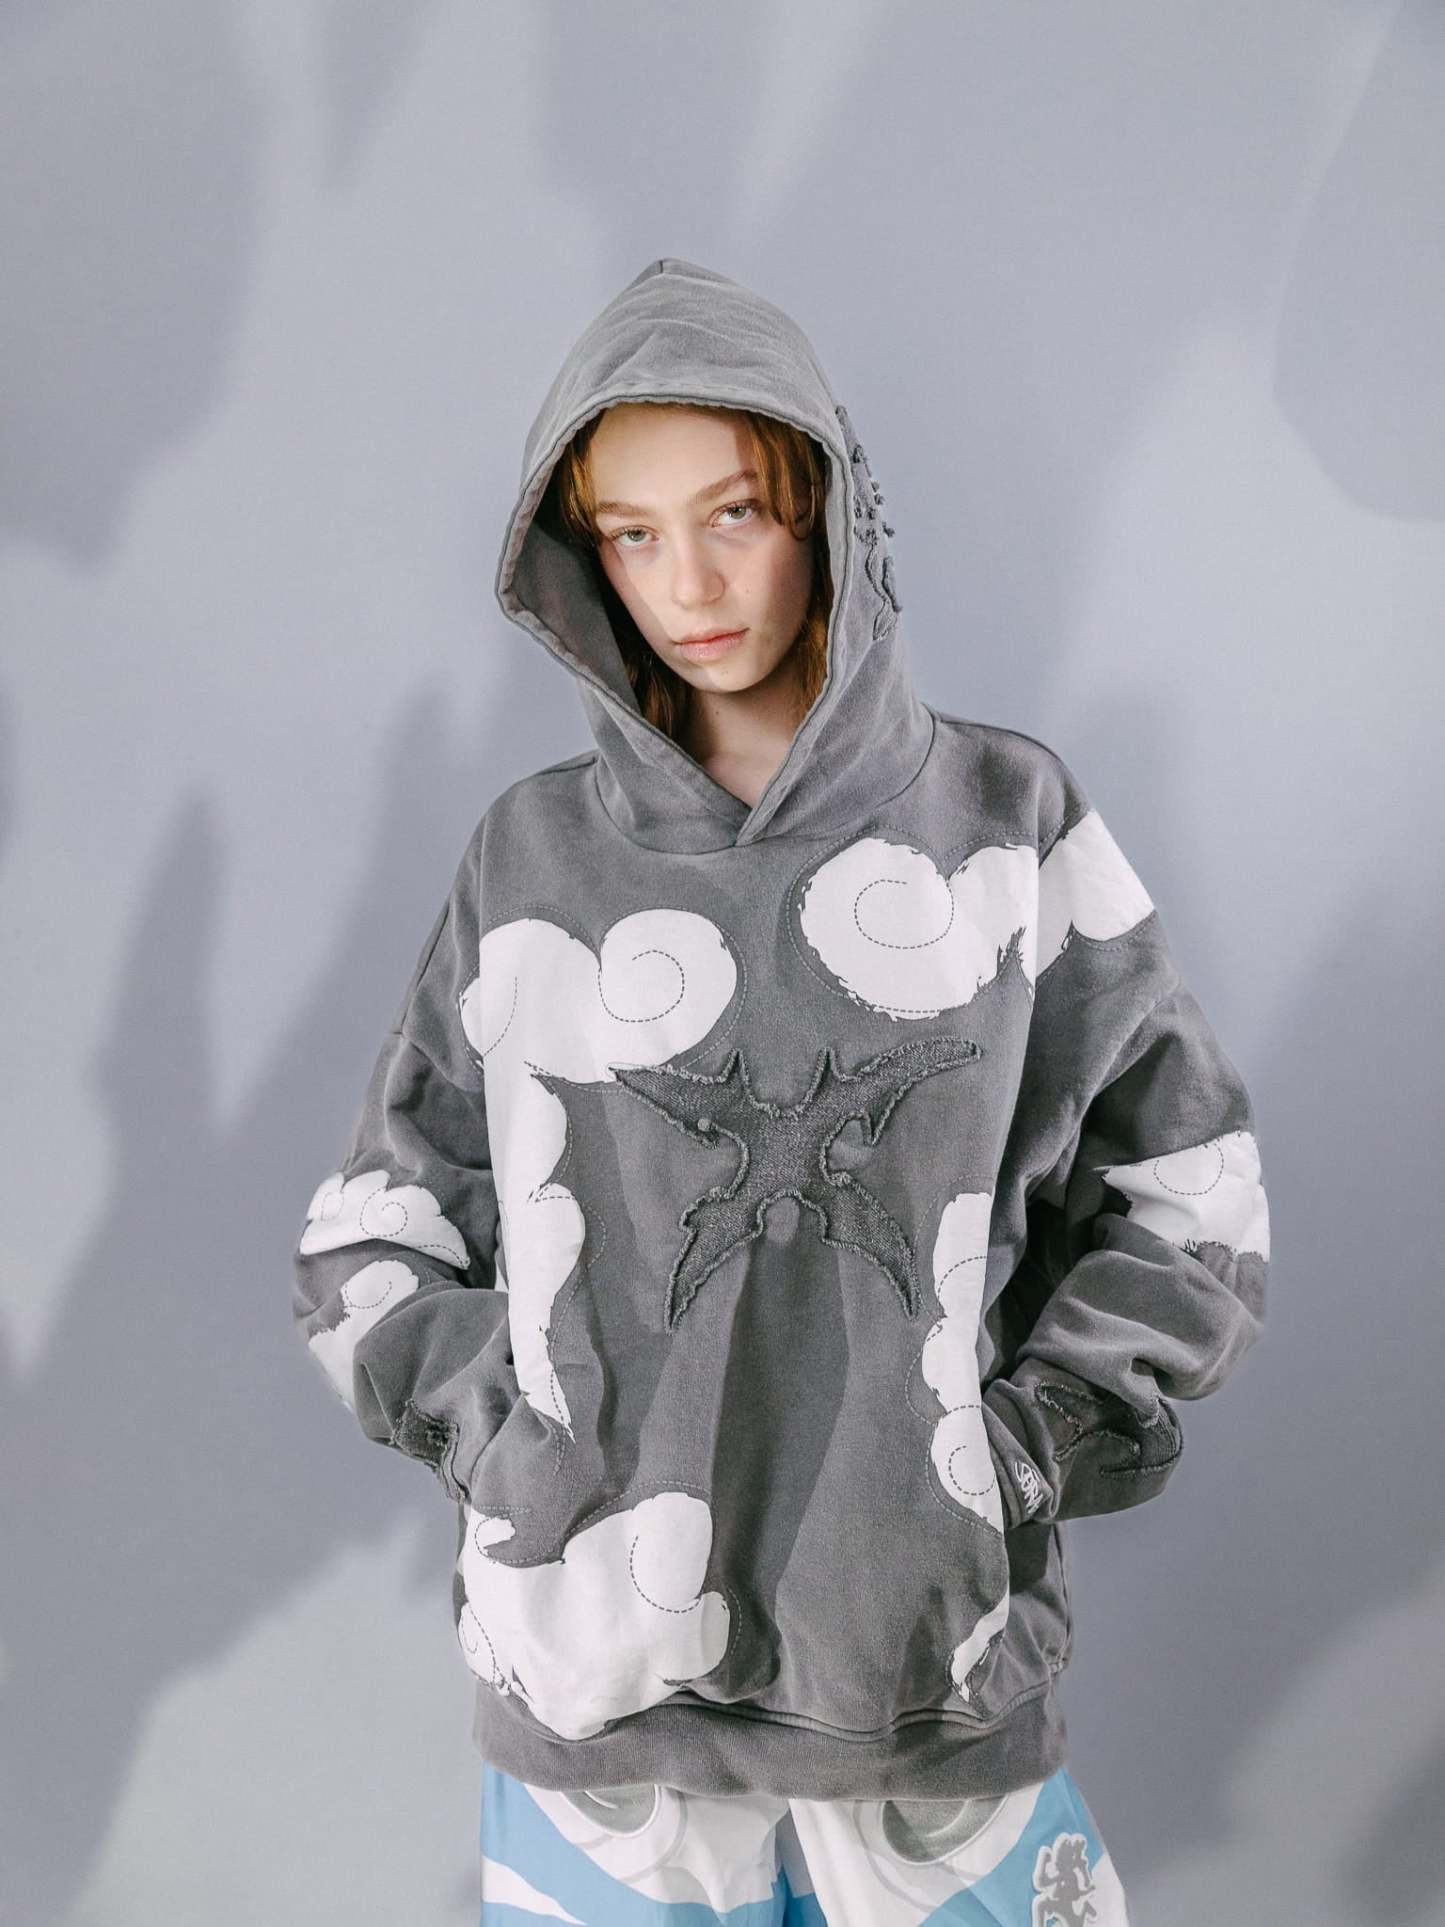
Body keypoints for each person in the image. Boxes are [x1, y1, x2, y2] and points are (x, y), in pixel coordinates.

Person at [292, 257, 1270, 1924]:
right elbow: (371, 1231)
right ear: (580, 555)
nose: (687, 582)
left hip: (922, 1683)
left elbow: (1191, 1199)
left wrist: (1011, 1459)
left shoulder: (1003, 826)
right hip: (599, 1714)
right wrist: (529, 1456)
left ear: (825, 512)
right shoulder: (531, 862)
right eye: (631, 533)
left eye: (733, 513)